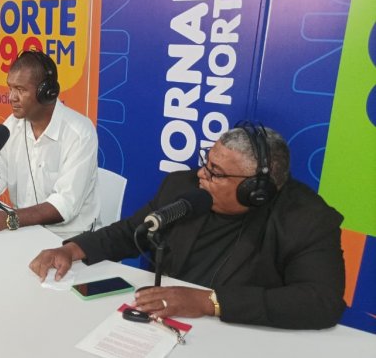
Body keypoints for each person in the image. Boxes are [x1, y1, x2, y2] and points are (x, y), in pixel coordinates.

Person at [29, 124, 346, 330]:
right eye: (207, 162)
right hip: (160, 327)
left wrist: (209, 303)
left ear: (255, 191)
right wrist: (72, 249)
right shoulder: (183, 188)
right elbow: (131, 232)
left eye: (216, 172)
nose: (202, 175)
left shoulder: (307, 220)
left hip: (236, 339)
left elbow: (321, 301)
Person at [0, 50, 100, 238]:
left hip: (70, 239)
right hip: (25, 229)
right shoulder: (12, 125)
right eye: (10, 88)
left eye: (21, 89)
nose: (11, 97)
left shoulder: (79, 133)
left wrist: (5, 219)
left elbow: (64, 205)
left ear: (46, 93)